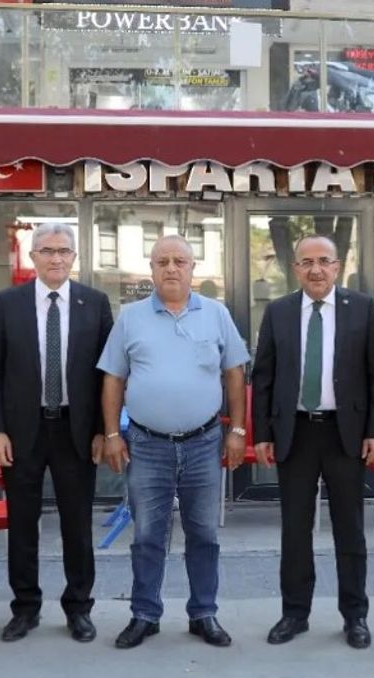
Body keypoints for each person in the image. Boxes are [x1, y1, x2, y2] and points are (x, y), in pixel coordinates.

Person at [100, 235, 249, 650]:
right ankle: (144, 614)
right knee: (147, 535)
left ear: (192, 268)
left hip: (203, 443)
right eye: (162, 261)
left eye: (179, 261)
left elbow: (234, 374)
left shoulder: (216, 314)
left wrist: (237, 431)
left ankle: (204, 613)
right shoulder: (130, 317)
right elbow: (113, 379)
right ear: (151, 269)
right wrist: (111, 434)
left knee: (204, 534)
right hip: (147, 444)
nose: (170, 268)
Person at [252, 235, 374, 650]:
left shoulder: (362, 308)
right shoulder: (278, 312)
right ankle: (294, 614)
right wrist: (263, 434)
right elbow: (264, 376)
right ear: (295, 269)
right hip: (295, 433)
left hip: (345, 434)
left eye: (324, 261)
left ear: (337, 266)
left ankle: (355, 616)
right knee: (295, 530)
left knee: (350, 530)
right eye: (307, 262)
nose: (315, 269)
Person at [0, 223, 113, 644]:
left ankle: (79, 608)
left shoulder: (95, 303)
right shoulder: (8, 303)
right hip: (23, 431)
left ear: (74, 257)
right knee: (22, 524)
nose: (56, 258)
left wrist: (103, 430)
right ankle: (25, 609)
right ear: (33, 256)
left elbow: (107, 375)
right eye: (47, 250)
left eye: (63, 251)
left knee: (78, 524)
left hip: (76, 430)